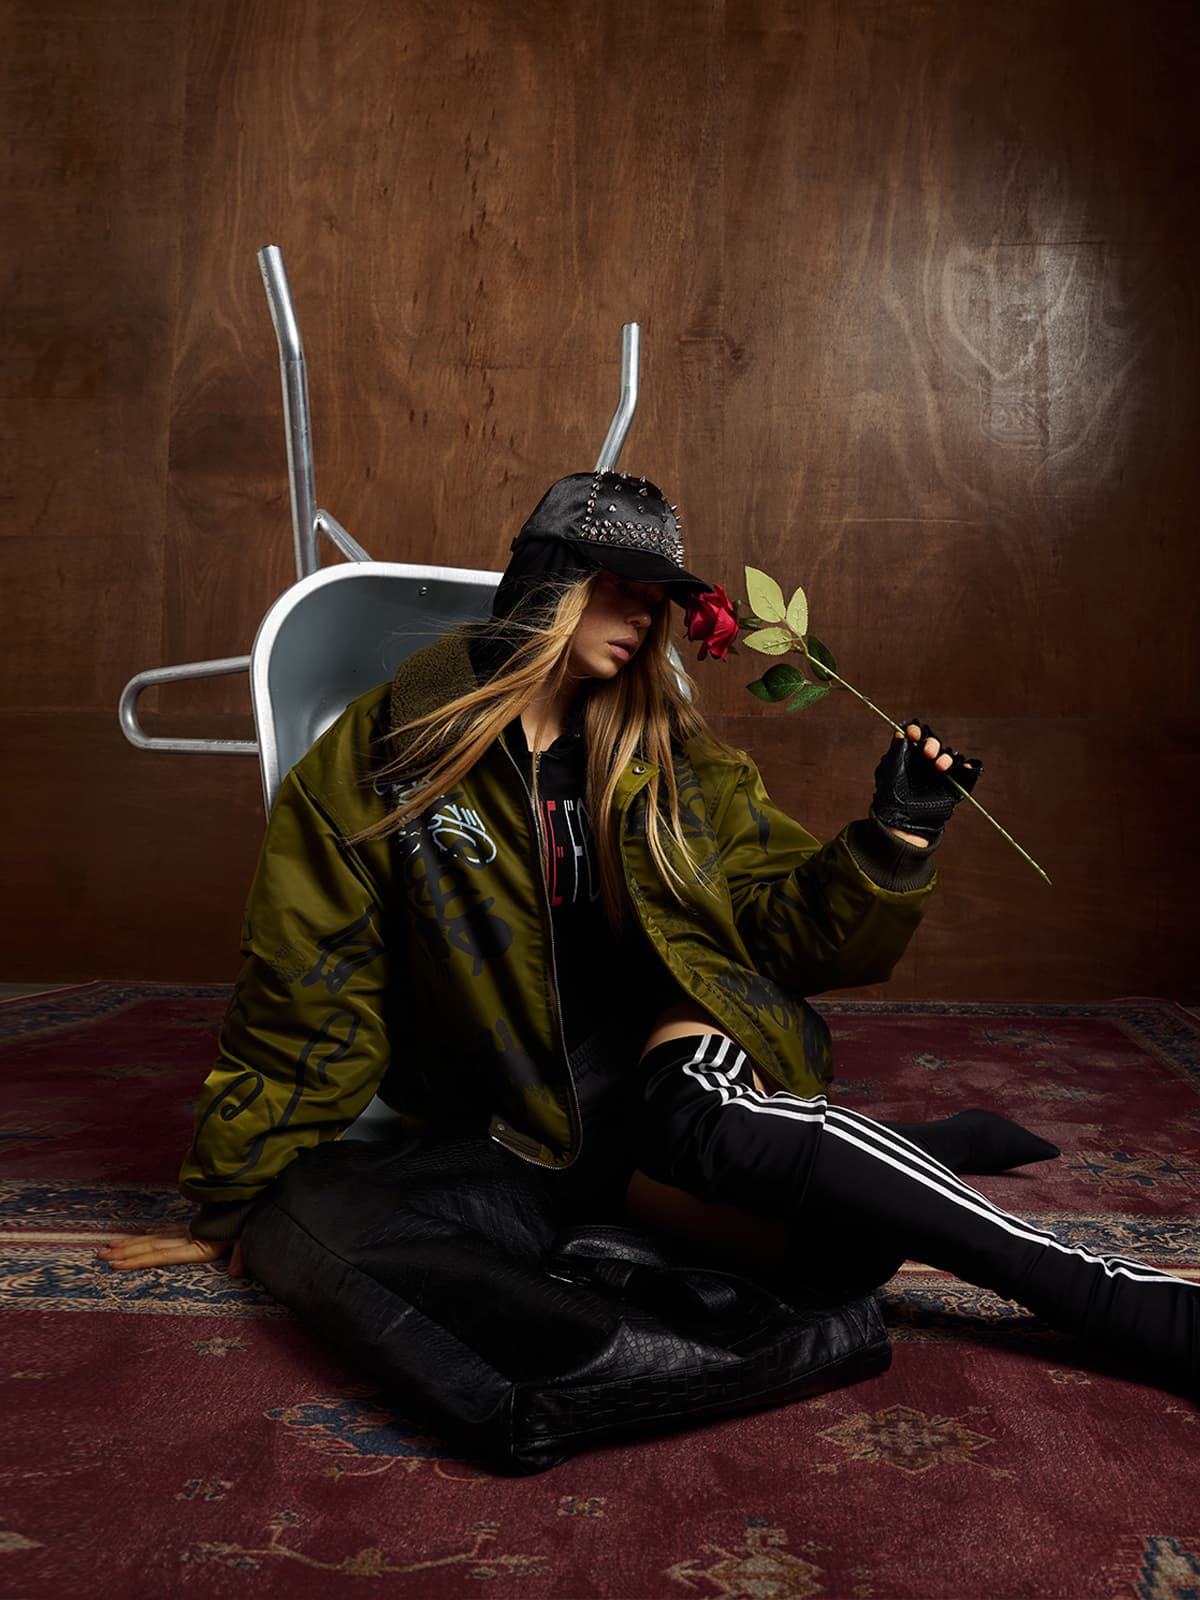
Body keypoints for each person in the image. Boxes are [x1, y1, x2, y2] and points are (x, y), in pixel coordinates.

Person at [98, 470, 1197, 1411]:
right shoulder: (384, 756)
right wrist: (234, 1194)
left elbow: (780, 933)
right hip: (532, 1113)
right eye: (616, 587)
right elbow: (312, 979)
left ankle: (1112, 1295)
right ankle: (899, 1147)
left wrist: (893, 840)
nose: (642, 617)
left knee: (698, 1119)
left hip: (677, 1042)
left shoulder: (675, 756)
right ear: (547, 586)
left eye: (657, 597)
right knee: (837, 1252)